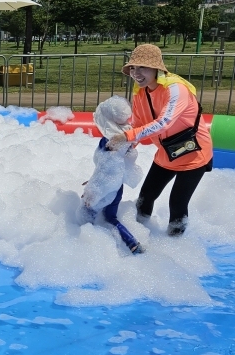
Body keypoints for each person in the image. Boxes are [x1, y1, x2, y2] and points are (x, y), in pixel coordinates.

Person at [108, 44, 213, 237]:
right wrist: (117, 153)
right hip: (166, 153)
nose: (136, 73)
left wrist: (127, 137)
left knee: (177, 202)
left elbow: (164, 122)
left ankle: (174, 246)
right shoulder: (141, 92)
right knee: (145, 197)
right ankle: (138, 235)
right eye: (133, 68)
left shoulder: (176, 89)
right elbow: (138, 125)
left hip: (193, 155)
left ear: (157, 68)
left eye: (143, 67)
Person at [80, 96, 144, 254]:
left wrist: (93, 190)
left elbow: (107, 170)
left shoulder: (111, 143)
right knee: (109, 217)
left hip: (107, 188)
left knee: (88, 215)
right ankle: (132, 244)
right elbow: (114, 168)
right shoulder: (124, 135)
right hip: (115, 186)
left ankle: (87, 249)